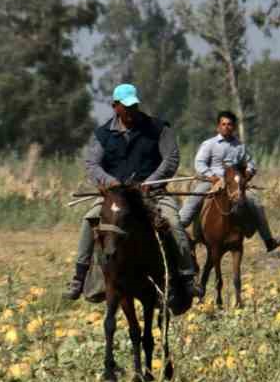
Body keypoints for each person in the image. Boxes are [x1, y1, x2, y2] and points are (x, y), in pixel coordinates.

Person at [64, 83, 199, 305]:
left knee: (174, 222)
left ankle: (187, 276)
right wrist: (109, 181)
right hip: (115, 196)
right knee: (88, 220)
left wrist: (150, 181)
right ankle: (79, 278)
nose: (131, 111)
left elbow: (171, 158)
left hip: (152, 194)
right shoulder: (102, 134)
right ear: (115, 106)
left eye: (134, 106)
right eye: (126, 107)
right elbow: (92, 164)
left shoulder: (158, 128)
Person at [177, 110, 280, 253]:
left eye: (230, 124)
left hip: (234, 184)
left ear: (233, 127)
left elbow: (251, 163)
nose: (226, 127)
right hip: (213, 181)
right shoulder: (209, 144)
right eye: (223, 124)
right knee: (195, 197)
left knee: (256, 203)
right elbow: (200, 163)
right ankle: (177, 227)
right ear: (218, 127)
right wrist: (211, 176)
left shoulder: (240, 146)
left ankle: (268, 240)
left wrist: (248, 173)